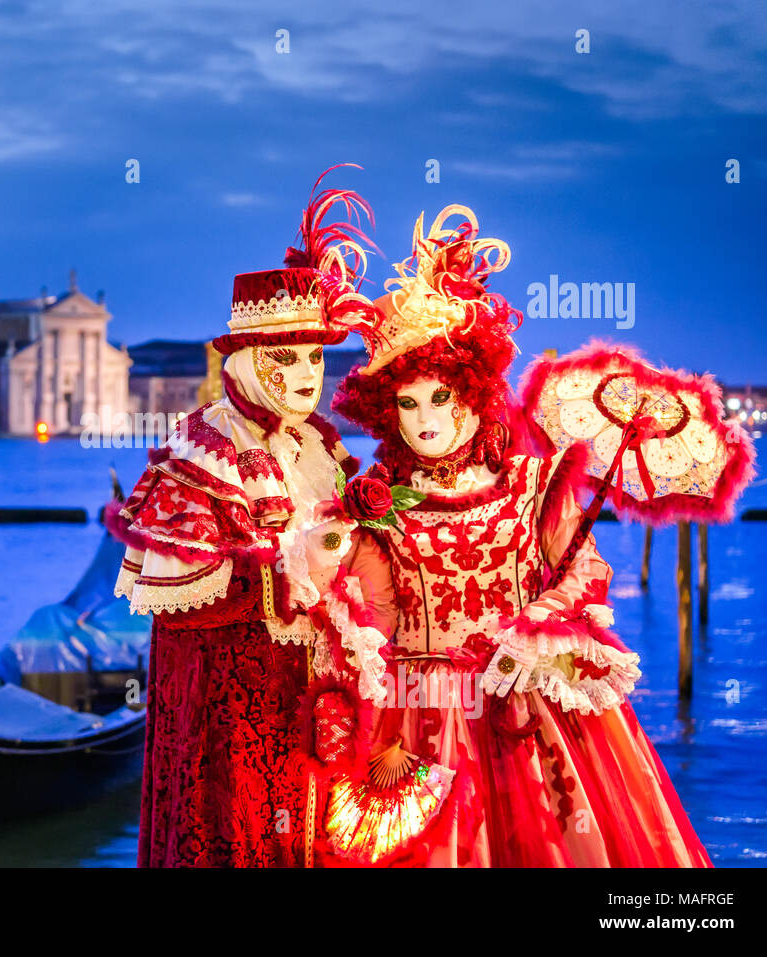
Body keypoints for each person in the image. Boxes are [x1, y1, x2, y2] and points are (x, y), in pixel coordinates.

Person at [305, 205, 712, 867]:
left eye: (441, 397)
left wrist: (543, 622)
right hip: (421, 718)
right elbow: (371, 615)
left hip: (530, 707)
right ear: (386, 410)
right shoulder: (378, 501)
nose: (426, 419)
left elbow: (582, 575)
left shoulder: (533, 481)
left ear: (474, 391)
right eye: (408, 403)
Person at [109, 167, 388, 867]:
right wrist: (290, 565)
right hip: (227, 717)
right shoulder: (202, 448)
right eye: (284, 357)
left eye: (316, 356)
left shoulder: (321, 445)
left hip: (310, 705)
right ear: (247, 360)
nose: (305, 374)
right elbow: (182, 602)